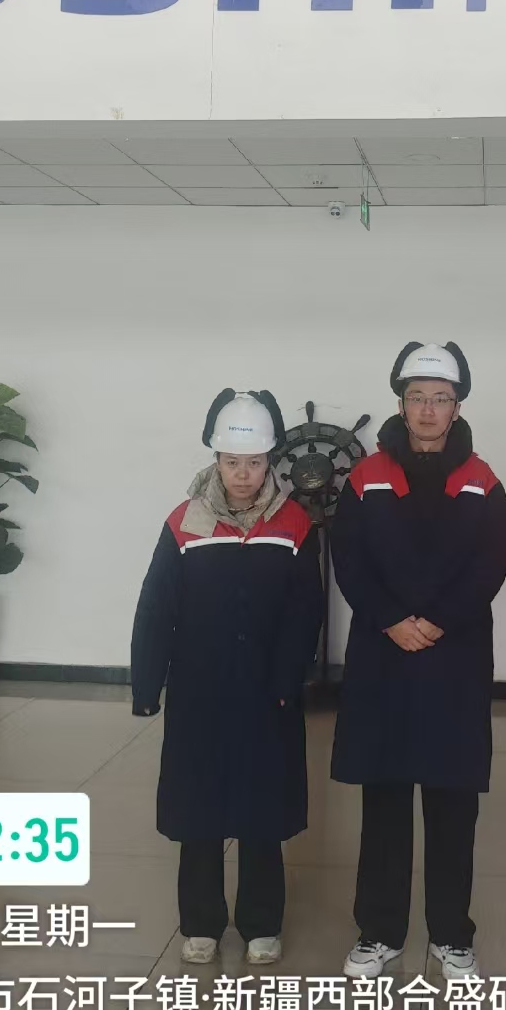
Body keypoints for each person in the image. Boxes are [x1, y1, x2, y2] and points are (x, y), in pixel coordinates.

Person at [330, 342, 506, 981]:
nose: (429, 410)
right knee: (383, 800)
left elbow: (491, 562)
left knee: (452, 800)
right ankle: (379, 931)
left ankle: (452, 935)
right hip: (382, 655)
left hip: (453, 657)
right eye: (417, 399)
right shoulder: (367, 478)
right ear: (401, 404)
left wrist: (438, 620)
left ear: (457, 406)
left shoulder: (483, 481)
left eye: (441, 399)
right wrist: (390, 619)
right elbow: (349, 557)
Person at [130, 389, 323, 966]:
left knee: (263, 808)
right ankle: (201, 922)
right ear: (216, 460)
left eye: (254, 463)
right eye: (233, 462)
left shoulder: (293, 524)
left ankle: (262, 922)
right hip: (200, 692)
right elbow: (156, 607)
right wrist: (147, 686)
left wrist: (289, 680)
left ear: (270, 462)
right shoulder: (184, 524)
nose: (243, 474)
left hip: (269, 693)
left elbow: (306, 611)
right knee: (200, 808)